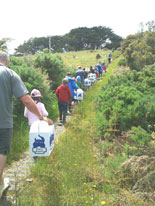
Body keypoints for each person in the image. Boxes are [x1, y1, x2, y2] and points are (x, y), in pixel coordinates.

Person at [0, 51, 50, 198]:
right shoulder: (9, 74)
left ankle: (3, 183)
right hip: (3, 123)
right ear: (7, 62)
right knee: (2, 151)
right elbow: (27, 101)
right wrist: (40, 117)